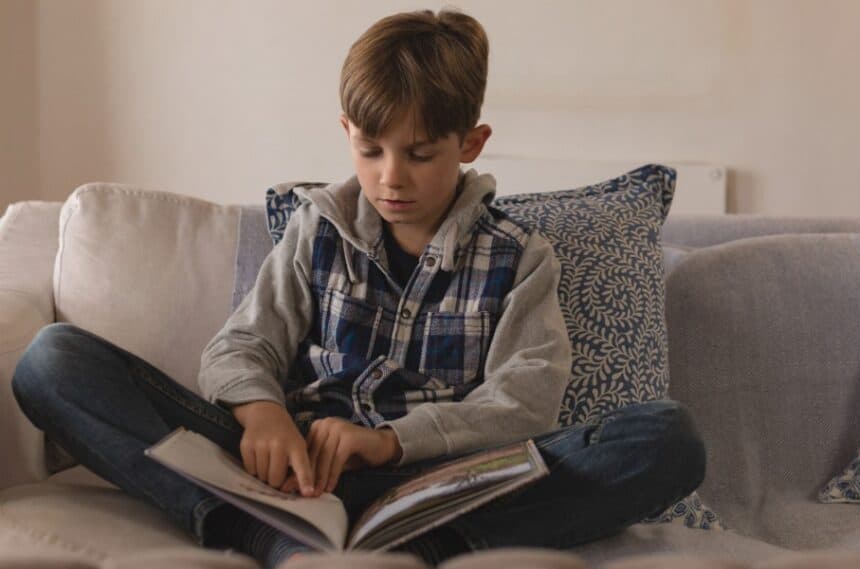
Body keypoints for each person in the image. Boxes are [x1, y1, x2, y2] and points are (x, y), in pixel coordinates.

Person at [11, 8, 705, 568]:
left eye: (419, 152)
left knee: (668, 438)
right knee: (52, 360)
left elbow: (524, 401)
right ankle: (256, 529)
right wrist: (262, 414)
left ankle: (426, 545)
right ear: (347, 133)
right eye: (370, 150)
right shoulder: (318, 228)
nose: (391, 178)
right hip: (288, 473)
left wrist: (390, 443)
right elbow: (241, 345)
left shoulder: (521, 257)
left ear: (472, 143)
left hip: (440, 482)